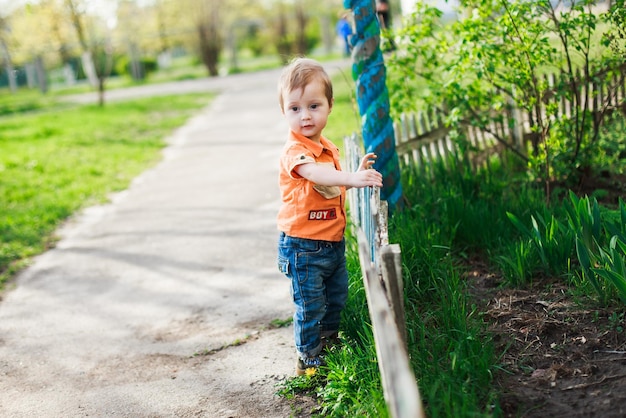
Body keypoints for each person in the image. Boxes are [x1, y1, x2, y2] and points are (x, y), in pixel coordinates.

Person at [276, 57, 384, 376]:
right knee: (311, 307)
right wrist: (351, 178)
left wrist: (355, 173)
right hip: (303, 247)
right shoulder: (294, 152)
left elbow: (331, 185)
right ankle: (308, 359)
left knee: (336, 298)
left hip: (331, 243)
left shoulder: (326, 147)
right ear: (284, 111)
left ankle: (329, 342)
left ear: (329, 105)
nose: (304, 115)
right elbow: (315, 175)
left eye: (313, 105)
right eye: (294, 108)